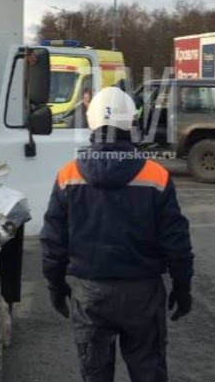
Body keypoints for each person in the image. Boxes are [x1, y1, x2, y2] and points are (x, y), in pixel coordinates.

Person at [41, 86, 194, 382]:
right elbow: (176, 240)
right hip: (144, 293)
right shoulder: (156, 175)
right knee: (149, 372)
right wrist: (182, 286)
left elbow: (53, 241)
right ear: (131, 124)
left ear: (91, 122)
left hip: (91, 294)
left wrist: (55, 286)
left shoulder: (68, 174)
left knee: (95, 374)